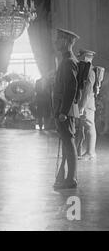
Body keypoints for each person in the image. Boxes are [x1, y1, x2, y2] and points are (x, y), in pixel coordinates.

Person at [53, 28, 80, 190]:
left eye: (59, 39)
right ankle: (67, 178)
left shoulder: (69, 61)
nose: (56, 42)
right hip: (64, 111)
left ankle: (71, 179)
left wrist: (63, 111)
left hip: (66, 112)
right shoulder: (66, 60)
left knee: (69, 144)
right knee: (67, 144)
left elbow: (71, 88)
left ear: (66, 42)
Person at [76, 49, 97, 160]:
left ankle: (90, 152)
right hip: (85, 103)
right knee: (84, 127)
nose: (80, 59)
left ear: (88, 57)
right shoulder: (85, 71)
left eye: (82, 57)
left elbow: (87, 91)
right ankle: (84, 151)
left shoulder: (90, 72)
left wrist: (82, 106)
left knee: (89, 127)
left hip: (87, 104)